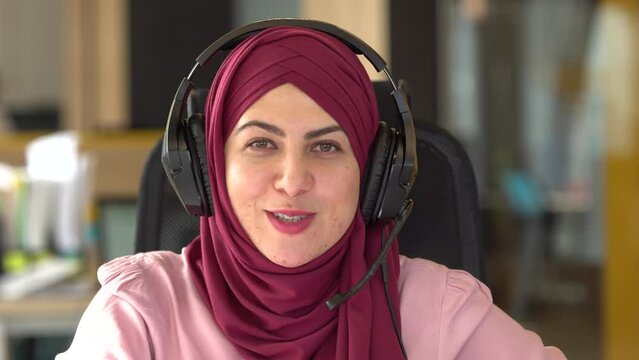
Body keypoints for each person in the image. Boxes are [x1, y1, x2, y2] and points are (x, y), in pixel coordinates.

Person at [57, 23, 566, 359]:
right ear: (209, 167)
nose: (293, 180)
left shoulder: (442, 314)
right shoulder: (140, 315)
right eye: (260, 143)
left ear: (373, 176)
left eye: (326, 148)